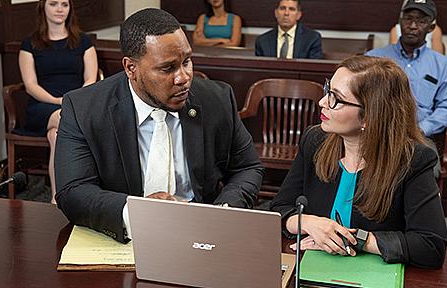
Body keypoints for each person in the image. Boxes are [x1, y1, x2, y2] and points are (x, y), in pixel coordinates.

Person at [54, 8, 263, 243]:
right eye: (168, 68)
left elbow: (248, 168)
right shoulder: (84, 108)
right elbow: (72, 191)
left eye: (187, 61)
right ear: (130, 68)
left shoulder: (217, 99)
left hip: (201, 232)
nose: (183, 77)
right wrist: (136, 213)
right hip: (125, 231)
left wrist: (223, 210)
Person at [270, 55, 447, 269]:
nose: (322, 102)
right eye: (328, 90)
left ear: (369, 116)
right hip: (311, 267)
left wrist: (357, 239)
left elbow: (431, 246)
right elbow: (279, 209)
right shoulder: (314, 140)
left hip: (375, 274)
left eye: (335, 98)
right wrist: (307, 222)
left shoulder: (414, 160)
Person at [18, 0, 98, 204]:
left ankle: (56, 197)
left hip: (77, 102)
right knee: (65, 122)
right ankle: (73, 191)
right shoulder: (30, 43)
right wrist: (57, 100)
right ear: (43, 8)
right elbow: (30, 85)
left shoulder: (83, 41)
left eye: (65, 4)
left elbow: (91, 79)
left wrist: (72, 100)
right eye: (54, 4)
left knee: (56, 135)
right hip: (42, 106)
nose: (60, 9)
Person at [366, 0, 447, 137]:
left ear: (431, 27)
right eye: (408, 19)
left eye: (421, 21)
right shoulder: (373, 59)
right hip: (377, 134)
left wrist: (421, 130)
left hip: (421, 138)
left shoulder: (444, 66)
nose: (412, 26)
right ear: (400, 21)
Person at [255, 0, 323, 59]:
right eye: (282, 8)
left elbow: (313, 70)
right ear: (276, 13)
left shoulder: (312, 39)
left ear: (299, 15)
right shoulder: (262, 41)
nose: (286, 13)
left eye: (291, 9)